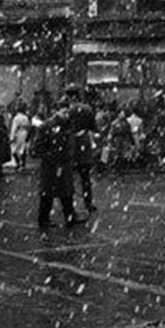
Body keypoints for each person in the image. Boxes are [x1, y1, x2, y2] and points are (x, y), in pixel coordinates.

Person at [35, 108, 82, 229]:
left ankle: (69, 216)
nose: (66, 114)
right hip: (51, 165)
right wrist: (53, 159)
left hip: (63, 164)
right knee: (49, 193)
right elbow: (39, 148)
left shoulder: (67, 125)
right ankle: (45, 218)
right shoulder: (47, 126)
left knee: (66, 192)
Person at [63, 85, 98, 213]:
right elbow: (94, 127)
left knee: (69, 178)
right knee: (85, 178)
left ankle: (70, 206)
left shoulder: (66, 111)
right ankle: (88, 203)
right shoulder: (87, 109)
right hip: (84, 144)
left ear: (71, 97)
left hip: (70, 145)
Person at [9, 102, 31, 172]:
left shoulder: (16, 118)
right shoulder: (25, 117)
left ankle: (18, 163)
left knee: (15, 150)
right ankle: (23, 165)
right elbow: (29, 126)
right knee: (23, 149)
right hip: (25, 133)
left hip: (18, 133)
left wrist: (12, 137)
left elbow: (14, 128)